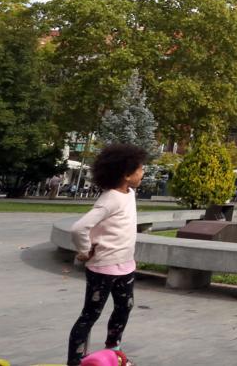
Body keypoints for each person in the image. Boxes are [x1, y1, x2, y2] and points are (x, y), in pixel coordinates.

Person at [66, 143, 148, 366]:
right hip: (103, 268)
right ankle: (75, 361)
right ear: (126, 174)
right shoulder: (109, 199)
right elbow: (79, 228)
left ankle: (114, 353)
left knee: (124, 308)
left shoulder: (129, 193)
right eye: (140, 168)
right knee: (90, 315)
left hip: (126, 266)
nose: (143, 172)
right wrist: (84, 250)